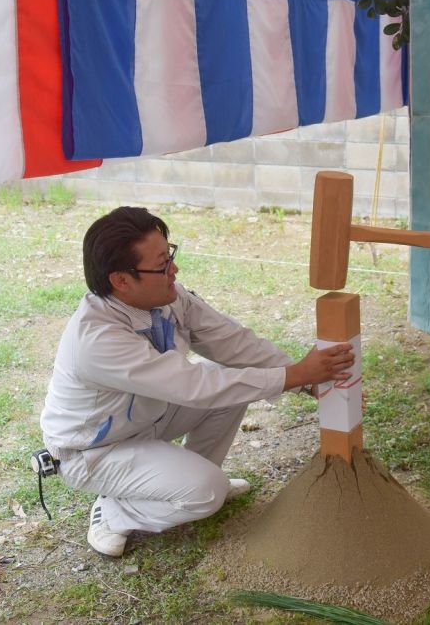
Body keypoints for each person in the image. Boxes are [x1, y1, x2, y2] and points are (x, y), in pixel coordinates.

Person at [40, 206, 354, 558]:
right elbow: (195, 386)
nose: (173, 269)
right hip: (96, 451)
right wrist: (296, 375)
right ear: (121, 280)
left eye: (170, 254)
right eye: (161, 265)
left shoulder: (165, 297)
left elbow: (230, 341)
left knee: (229, 386)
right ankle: (115, 512)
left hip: (146, 417)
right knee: (207, 489)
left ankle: (186, 482)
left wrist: (304, 379)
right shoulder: (97, 339)